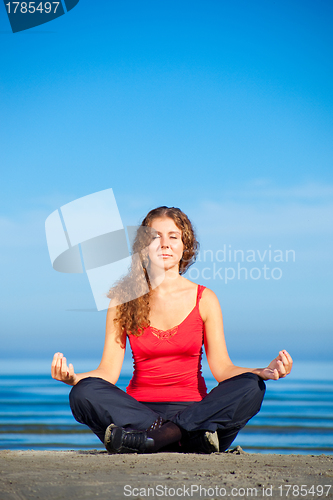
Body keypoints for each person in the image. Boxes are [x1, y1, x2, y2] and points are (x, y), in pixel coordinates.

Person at [51, 206, 293, 454]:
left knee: (252, 387)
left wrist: (263, 371)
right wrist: (74, 379)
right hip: (141, 413)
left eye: (173, 237)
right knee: (82, 393)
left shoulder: (205, 299)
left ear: (185, 246)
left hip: (195, 411)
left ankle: (153, 441)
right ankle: (180, 438)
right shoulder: (123, 300)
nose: (164, 244)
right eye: (155, 236)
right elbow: (108, 372)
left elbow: (223, 369)